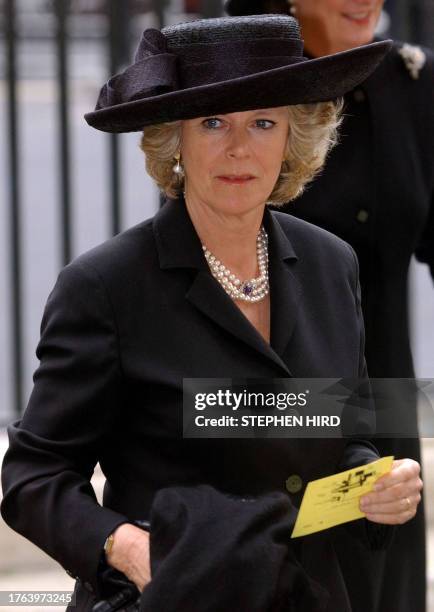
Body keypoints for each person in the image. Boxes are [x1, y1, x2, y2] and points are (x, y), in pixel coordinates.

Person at [0, 14, 423, 612]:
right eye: (214, 122)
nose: (239, 148)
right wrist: (126, 549)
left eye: (264, 123)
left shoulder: (332, 265)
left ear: (292, 138)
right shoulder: (105, 286)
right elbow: (32, 478)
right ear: (176, 139)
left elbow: (340, 431)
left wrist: (373, 484)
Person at [225, 2, 434, 612]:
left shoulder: (409, 83)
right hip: (276, 409)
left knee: (386, 586)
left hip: (386, 404)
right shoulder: (246, 84)